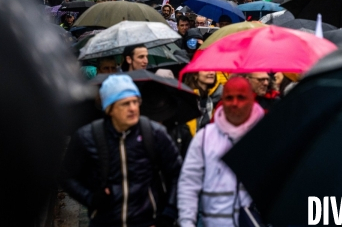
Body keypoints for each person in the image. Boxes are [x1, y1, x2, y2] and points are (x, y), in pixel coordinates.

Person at [62, 75, 182, 227]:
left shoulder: (154, 133)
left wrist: (168, 215)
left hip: (146, 222)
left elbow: (177, 173)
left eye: (135, 101)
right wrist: (90, 198)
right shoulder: (87, 136)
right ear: (110, 109)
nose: (132, 108)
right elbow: (66, 176)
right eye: (125, 104)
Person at [177, 77, 264, 227]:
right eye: (229, 98)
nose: (235, 103)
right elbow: (189, 185)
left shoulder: (265, 134)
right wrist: (187, 223)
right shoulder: (204, 138)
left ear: (251, 99)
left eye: (241, 97)